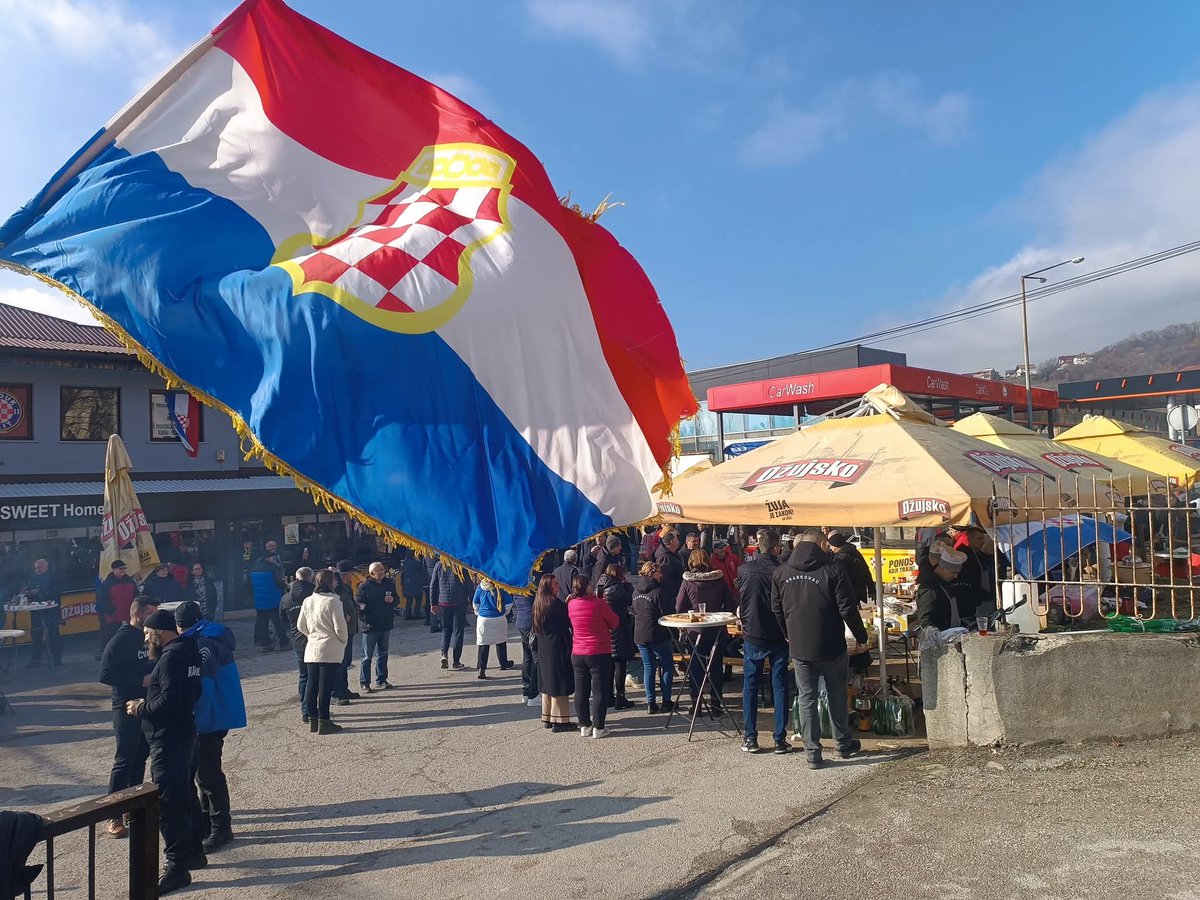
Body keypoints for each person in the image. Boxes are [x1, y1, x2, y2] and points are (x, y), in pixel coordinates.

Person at [771, 529, 869, 770]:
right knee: (836, 694)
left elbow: (776, 608)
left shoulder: (782, 572)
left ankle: (812, 752)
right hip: (831, 643)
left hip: (800, 645)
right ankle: (842, 743)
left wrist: (787, 633)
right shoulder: (833, 570)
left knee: (806, 697)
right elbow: (847, 608)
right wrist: (861, 636)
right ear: (823, 544)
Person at [127, 608, 203, 895]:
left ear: (159, 633)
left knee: (169, 804)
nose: (146, 640)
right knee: (185, 794)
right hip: (185, 733)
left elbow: (169, 700)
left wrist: (140, 708)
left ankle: (177, 867)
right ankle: (195, 851)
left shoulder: (171, 657)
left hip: (168, 739)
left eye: (148, 634)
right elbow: (193, 693)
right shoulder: (190, 650)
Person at [174, 601, 246, 854]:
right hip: (219, 714)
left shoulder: (202, 644)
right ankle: (207, 824)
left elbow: (204, 689)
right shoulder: (211, 635)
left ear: (180, 625)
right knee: (204, 774)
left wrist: (196, 721)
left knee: (209, 775)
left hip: (211, 717)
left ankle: (220, 829)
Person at [97, 595, 159, 838]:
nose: (153, 618)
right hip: (125, 706)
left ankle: (133, 807)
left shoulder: (149, 637)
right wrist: (138, 681)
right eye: (150, 613)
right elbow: (105, 673)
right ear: (138, 614)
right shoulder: (121, 639)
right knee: (124, 760)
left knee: (140, 757)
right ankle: (113, 815)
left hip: (147, 705)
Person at [736, 528, 791, 755]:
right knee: (779, 685)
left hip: (754, 632)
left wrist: (745, 622)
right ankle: (780, 738)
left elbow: (741, 600)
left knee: (750, 684)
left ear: (758, 546)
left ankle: (751, 737)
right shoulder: (782, 571)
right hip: (778, 633)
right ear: (777, 548)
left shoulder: (744, 570)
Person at [676, 549, 735, 710]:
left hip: (695, 630)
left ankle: (696, 703)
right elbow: (730, 604)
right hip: (716, 628)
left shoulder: (687, 581)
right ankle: (716, 702)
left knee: (696, 665)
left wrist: (690, 613)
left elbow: (679, 605)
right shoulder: (719, 579)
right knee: (716, 665)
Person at [297, 569, 349, 735]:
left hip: (312, 647)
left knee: (312, 685)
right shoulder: (334, 601)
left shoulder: (308, 600)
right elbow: (340, 627)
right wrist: (342, 640)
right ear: (330, 582)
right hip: (329, 646)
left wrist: (312, 635)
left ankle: (312, 719)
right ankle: (324, 720)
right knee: (325, 686)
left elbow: (300, 625)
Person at [567, 574, 618, 738]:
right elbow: (614, 622)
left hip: (578, 651)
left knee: (581, 691)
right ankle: (599, 726)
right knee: (599, 691)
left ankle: (584, 724)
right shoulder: (599, 604)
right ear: (587, 586)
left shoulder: (571, 604)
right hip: (598, 650)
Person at [532, 573, 574, 732]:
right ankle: (560, 720)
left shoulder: (539, 603)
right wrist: (567, 605)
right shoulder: (554, 604)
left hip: (544, 645)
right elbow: (565, 621)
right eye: (555, 585)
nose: (558, 587)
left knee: (548, 681)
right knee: (558, 681)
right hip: (556, 645)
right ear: (548, 586)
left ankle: (547, 717)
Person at [631, 561, 674, 714]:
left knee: (649, 668)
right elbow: (667, 613)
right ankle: (666, 700)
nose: (661, 575)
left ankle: (651, 703)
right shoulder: (658, 592)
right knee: (667, 666)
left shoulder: (636, 591)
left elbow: (634, 610)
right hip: (657, 634)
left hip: (640, 634)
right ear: (653, 573)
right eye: (659, 572)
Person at [916, 548, 989, 631]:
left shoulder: (944, 583)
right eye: (953, 572)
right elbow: (926, 620)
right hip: (939, 636)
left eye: (957, 573)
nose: (956, 576)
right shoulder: (930, 588)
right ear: (941, 568)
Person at [595, 564, 636, 709]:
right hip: (618, 629)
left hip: (605, 630)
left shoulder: (600, 586)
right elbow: (629, 599)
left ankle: (609, 697)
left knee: (609, 667)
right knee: (620, 665)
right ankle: (621, 697)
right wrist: (628, 585)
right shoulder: (617, 588)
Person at [356, 562, 397, 691]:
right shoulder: (364, 587)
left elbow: (397, 600)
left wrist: (393, 601)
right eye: (378, 570)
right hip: (370, 626)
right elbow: (359, 606)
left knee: (383, 654)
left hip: (385, 624)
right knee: (366, 656)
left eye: (382, 570)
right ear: (371, 573)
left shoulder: (388, 584)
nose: (381, 572)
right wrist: (366, 619)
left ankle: (382, 679)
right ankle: (365, 682)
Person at [279, 567, 315, 715]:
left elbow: (281, 619)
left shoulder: (286, 597)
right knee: (314, 676)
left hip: (298, 639)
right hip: (315, 638)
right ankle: (312, 709)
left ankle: (304, 709)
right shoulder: (316, 593)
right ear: (311, 577)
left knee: (304, 675)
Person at [431, 560, 472, 670]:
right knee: (458, 631)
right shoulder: (460, 565)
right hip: (459, 602)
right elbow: (468, 584)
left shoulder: (439, 565)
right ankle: (456, 661)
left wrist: (433, 603)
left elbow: (433, 584)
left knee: (446, 629)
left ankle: (444, 654)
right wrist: (474, 602)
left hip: (444, 602)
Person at [22, 558, 62, 668]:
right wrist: (27, 592)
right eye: (35, 568)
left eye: (39, 568)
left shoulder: (54, 577)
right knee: (36, 633)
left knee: (53, 634)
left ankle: (56, 658)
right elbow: (29, 589)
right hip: (36, 610)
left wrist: (40, 592)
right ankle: (35, 659)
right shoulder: (33, 578)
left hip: (51, 609)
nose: (37, 570)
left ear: (46, 567)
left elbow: (56, 592)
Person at [97, 561, 138, 663]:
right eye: (121, 569)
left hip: (129, 615)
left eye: (124, 568)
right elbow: (102, 599)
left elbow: (136, 596)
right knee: (110, 637)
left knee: (129, 636)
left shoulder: (130, 581)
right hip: (113, 617)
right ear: (114, 570)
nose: (123, 571)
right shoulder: (107, 583)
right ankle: (109, 655)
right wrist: (112, 611)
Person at [331, 563, 360, 705]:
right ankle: (337, 691)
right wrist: (345, 614)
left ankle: (344, 688)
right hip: (342, 629)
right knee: (340, 663)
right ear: (345, 574)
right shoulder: (337, 588)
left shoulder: (346, 587)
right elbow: (335, 605)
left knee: (346, 661)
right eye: (350, 573)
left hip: (350, 629)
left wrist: (355, 607)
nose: (352, 576)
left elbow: (349, 601)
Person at [472, 579, 513, 678]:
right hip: (499, 618)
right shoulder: (501, 587)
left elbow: (475, 603)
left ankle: (481, 669)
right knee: (501, 641)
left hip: (484, 619)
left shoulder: (480, 587)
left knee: (483, 645)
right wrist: (503, 613)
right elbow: (509, 604)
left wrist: (479, 613)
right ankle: (503, 663)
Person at [249, 552, 287, 651]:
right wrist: (285, 585)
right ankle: (284, 642)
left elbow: (248, 585)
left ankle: (265, 643)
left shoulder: (254, 568)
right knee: (278, 622)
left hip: (259, 601)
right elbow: (279, 582)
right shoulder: (273, 568)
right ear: (268, 558)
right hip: (273, 599)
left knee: (262, 623)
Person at [827, 532, 874, 607]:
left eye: (831, 546)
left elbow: (837, 578)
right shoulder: (854, 552)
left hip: (848, 593)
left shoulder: (841, 558)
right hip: (858, 591)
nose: (830, 548)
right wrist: (872, 589)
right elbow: (866, 570)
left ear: (835, 546)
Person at [512, 580, 538, 707]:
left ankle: (526, 691)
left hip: (521, 622)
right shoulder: (531, 588)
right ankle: (534, 692)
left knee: (527, 657)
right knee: (535, 657)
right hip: (531, 623)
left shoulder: (516, 587)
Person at [654, 531, 685, 613]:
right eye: (676, 539)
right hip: (671, 595)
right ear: (671, 542)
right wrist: (673, 594)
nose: (678, 541)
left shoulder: (672, 553)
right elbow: (665, 579)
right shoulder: (665, 557)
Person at [401, 551, 429, 621]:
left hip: (407, 583)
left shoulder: (405, 563)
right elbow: (422, 570)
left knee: (409, 600)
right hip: (416, 583)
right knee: (418, 600)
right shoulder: (417, 563)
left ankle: (408, 615)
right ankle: (417, 614)